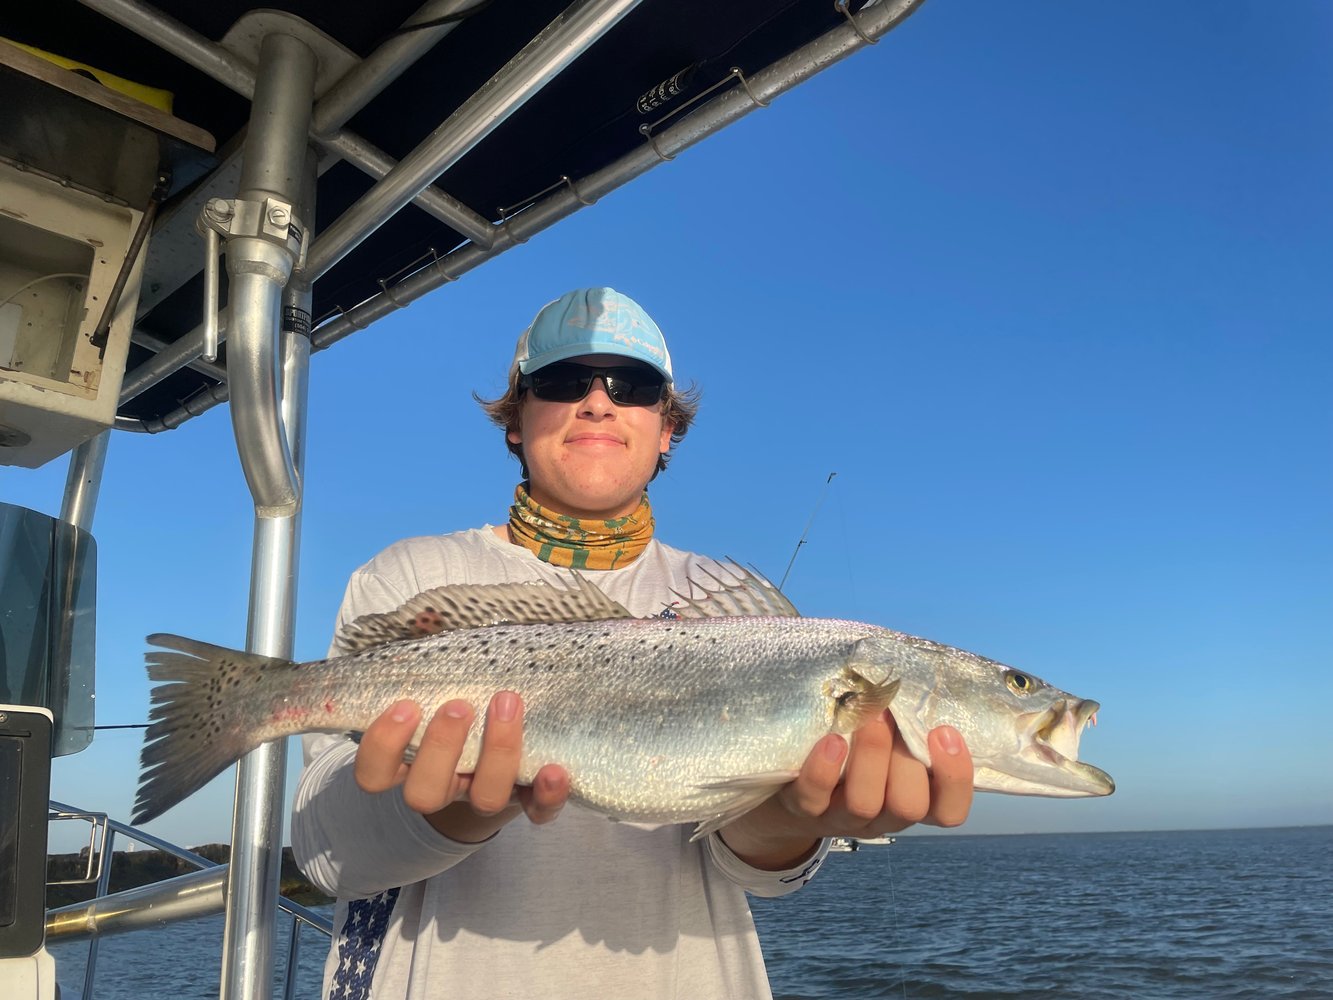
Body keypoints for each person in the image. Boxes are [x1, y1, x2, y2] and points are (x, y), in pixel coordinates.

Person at [291, 287, 974, 1000]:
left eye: (632, 386)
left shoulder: (735, 604)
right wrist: (445, 809)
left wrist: (795, 817)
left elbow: (756, 865)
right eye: (560, 382)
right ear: (515, 421)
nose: (596, 402)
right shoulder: (409, 577)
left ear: (666, 427)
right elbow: (325, 851)